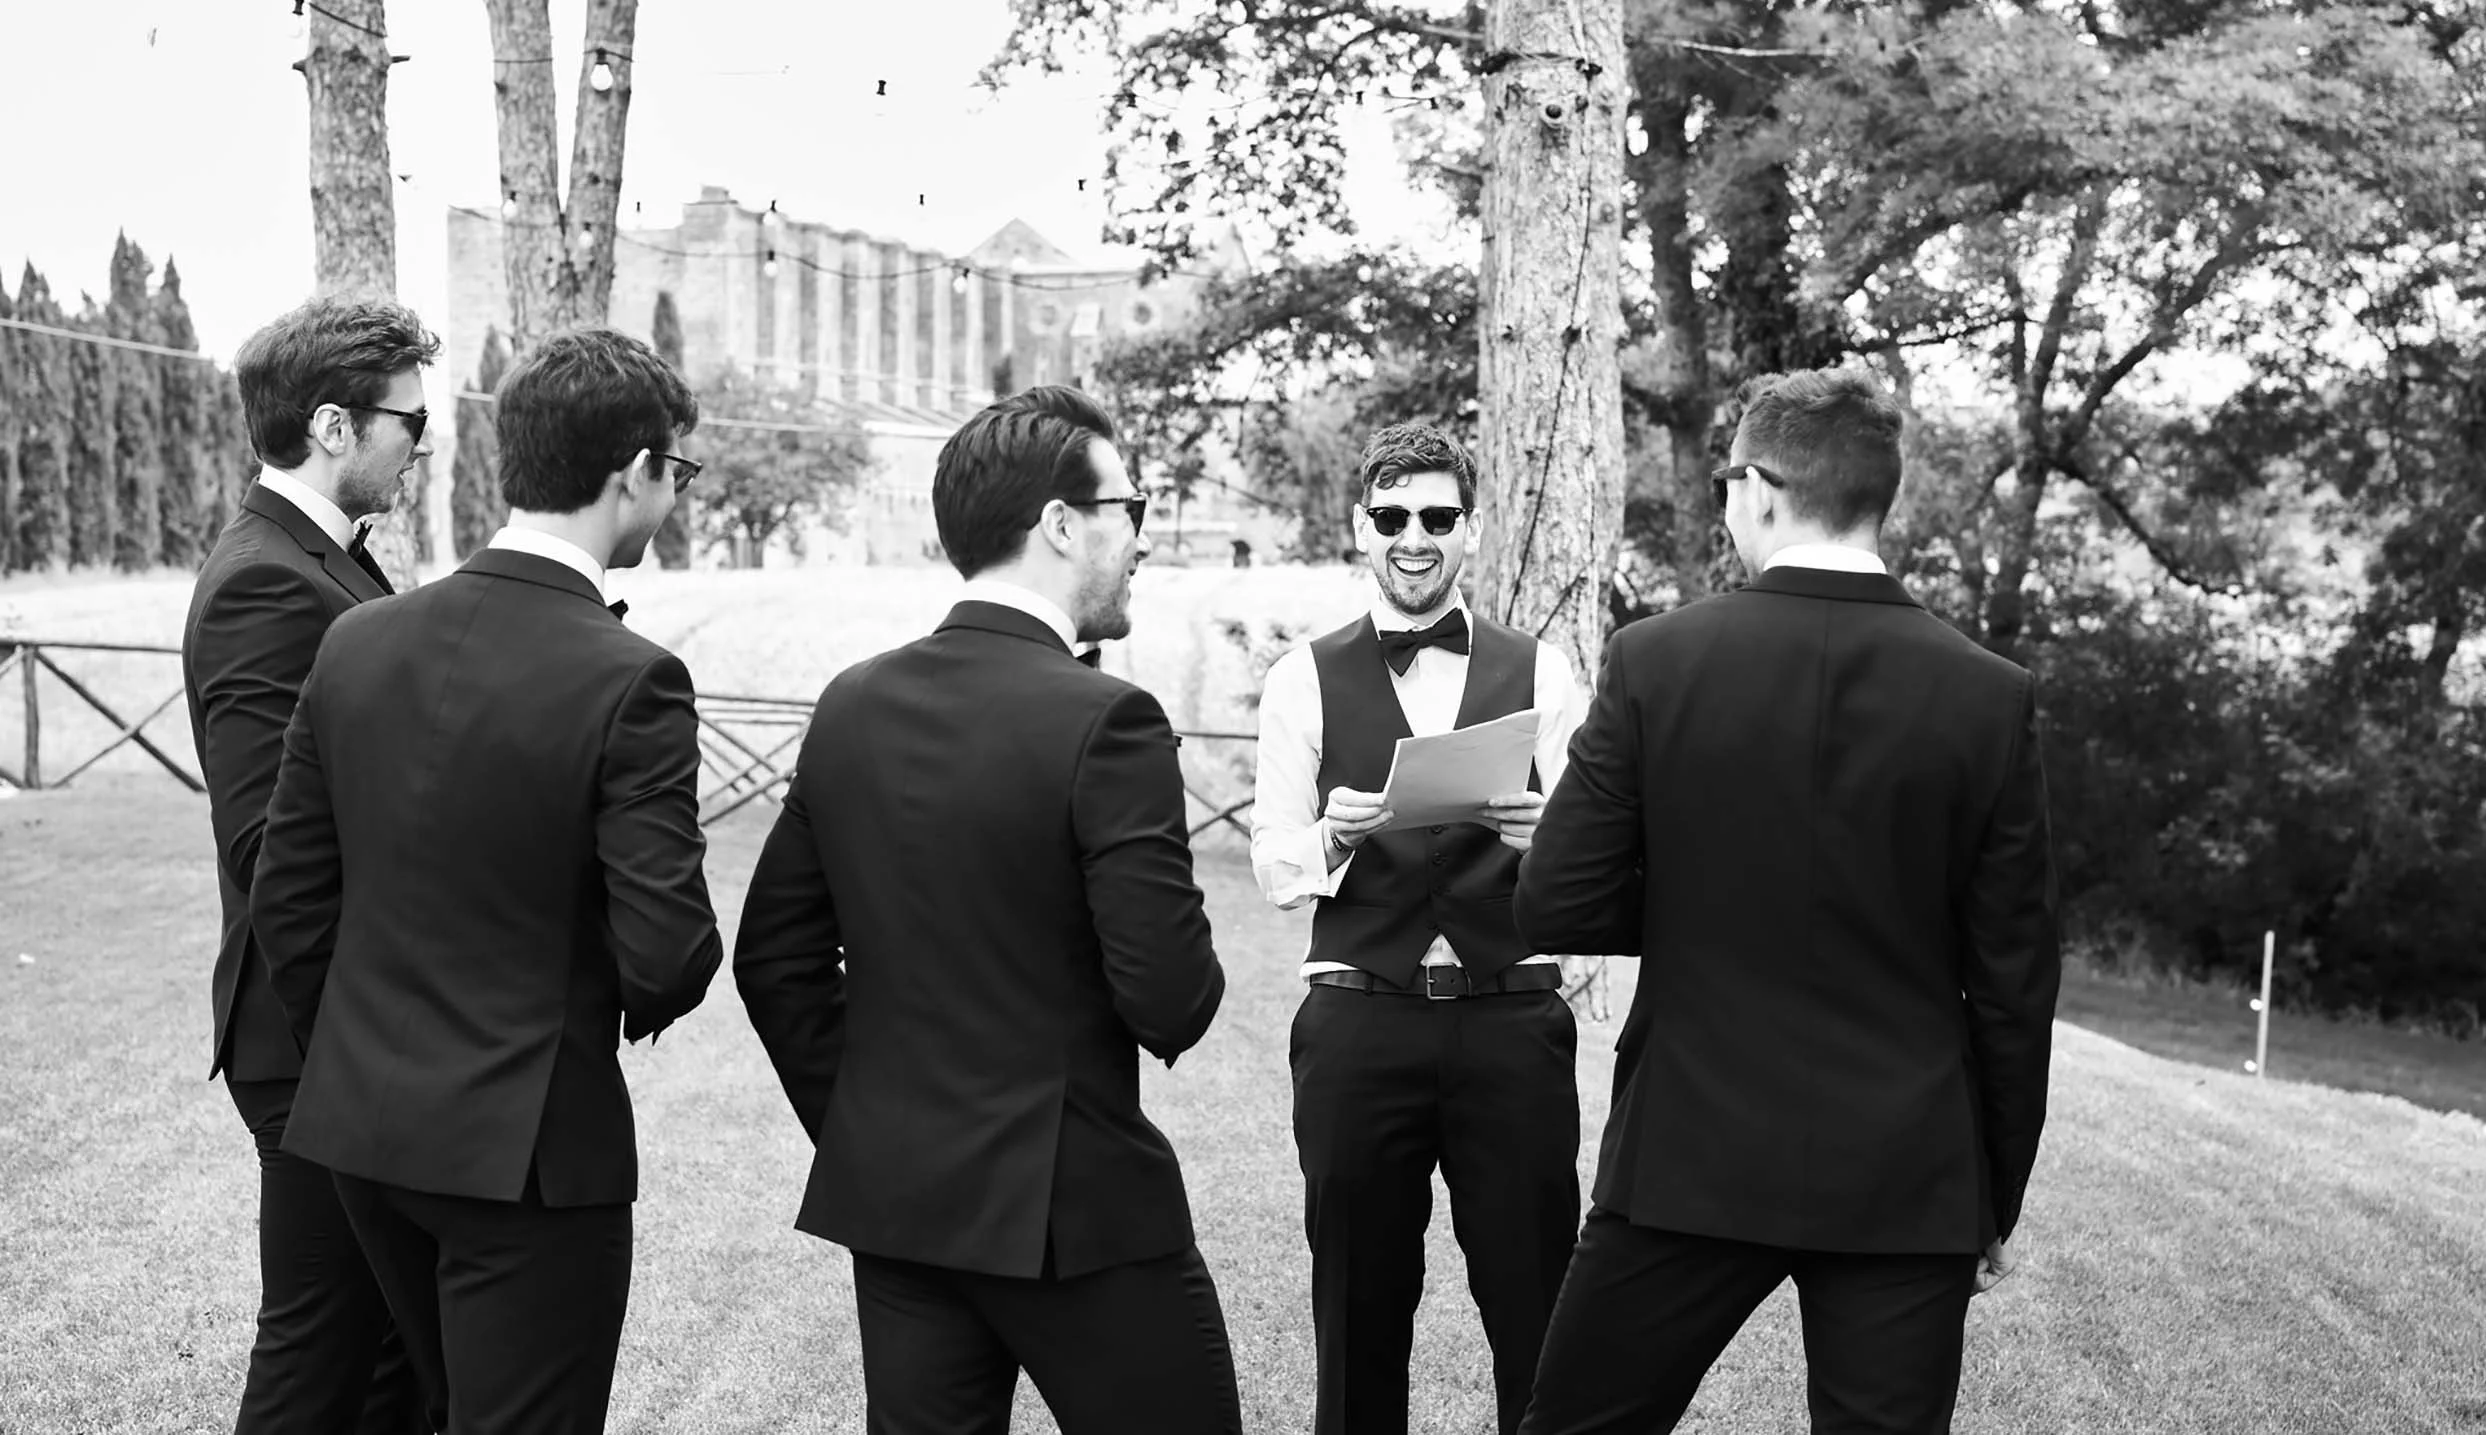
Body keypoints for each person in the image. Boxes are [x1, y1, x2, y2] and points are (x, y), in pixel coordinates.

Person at [1513, 367, 2062, 1435]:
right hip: (1905, 1176)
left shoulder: (1655, 660)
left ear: (1759, 490)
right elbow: (2014, 984)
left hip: (1687, 1152)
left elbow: (1555, 902)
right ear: (1875, 498)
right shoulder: (1989, 696)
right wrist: (1989, 1194)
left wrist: (1695, 898)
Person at [735, 384, 1238, 1435]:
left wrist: (873, 1126)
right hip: (1079, 1208)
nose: (1141, 538)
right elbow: (1171, 1000)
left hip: (900, 1202)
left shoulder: (852, 702)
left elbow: (775, 963)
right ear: (1060, 523)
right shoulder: (1110, 720)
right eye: (1130, 508)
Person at [250, 327, 723, 1435]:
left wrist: (362, 1045)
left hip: (364, 1135)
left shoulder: (359, 641)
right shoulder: (633, 680)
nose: (675, 495)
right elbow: (669, 952)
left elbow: (288, 897)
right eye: (678, 470)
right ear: (635, 471)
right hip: (530, 1157)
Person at [1248, 422, 1589, 1435]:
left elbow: (1597, 857)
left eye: (1437, 517)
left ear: (1469, 529)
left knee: (1538, 1306)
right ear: (1361, 526)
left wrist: (1548, 837)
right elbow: (1272, 860)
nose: (1414, 537)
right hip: (1360, 1023)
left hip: (1512, 1019)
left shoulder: (1543, 670)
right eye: (1392, 516)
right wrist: (1332, 835)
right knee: (1357, 1312)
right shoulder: (1302, 677)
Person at [180, 293, 438, 1435]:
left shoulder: (327, 561)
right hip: (311, 1039)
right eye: (409, 422)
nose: (420, 444)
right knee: (318, 1360)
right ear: (335, 426)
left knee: (388, 1361)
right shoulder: (264, 580)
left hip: (346, 1032)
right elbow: (268, 842)